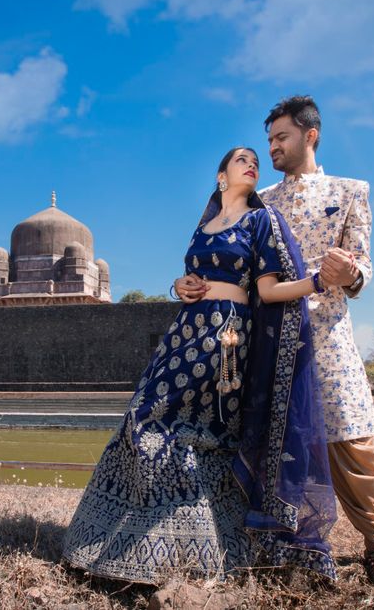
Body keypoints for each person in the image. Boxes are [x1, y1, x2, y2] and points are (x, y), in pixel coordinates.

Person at [62, 147, 336, 584]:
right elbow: (189, 276)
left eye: (255, 161)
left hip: (226, 336)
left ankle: (201, 548)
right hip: (186, 329)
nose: (252, 164)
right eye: (241, 160)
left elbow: (267, 291)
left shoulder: (259, 221)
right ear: (221, 175)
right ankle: (125, 544)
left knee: (189, 428)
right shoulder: (205, 226)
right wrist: (179, 284)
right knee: (143, 416)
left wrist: (319, 280)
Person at [175, 96, 374, 592]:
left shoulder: (350, 191)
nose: (272, 147)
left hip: (326, 335)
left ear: (310, 135)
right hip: (263, 338)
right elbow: (215, 253)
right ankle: (267, 542)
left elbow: (363, 264)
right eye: (268, 140)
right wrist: (184, 284)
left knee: (354, 440)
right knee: (267, 440)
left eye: (281, 137)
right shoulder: (262, 200)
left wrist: (352, 273)